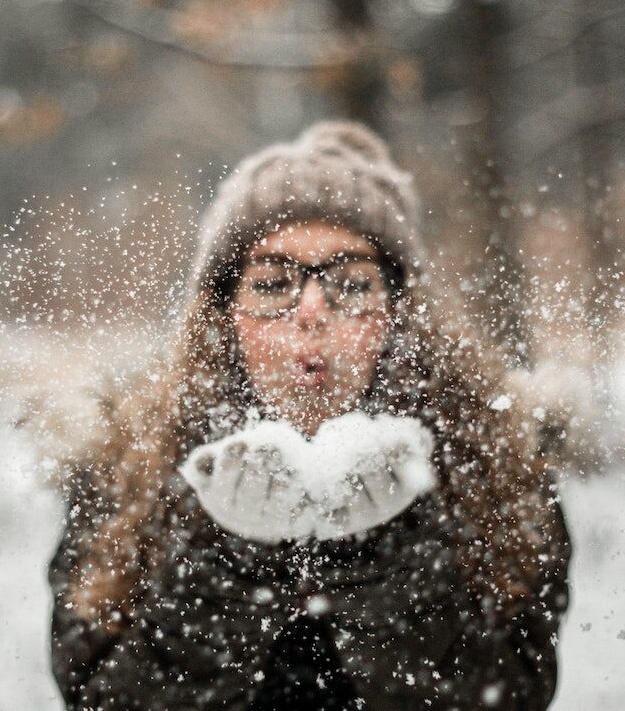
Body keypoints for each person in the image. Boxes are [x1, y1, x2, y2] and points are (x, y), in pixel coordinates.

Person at [48, 121, 571, 711]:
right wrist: (231, 568)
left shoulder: (492, 459)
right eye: (273, 284)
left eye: (351, 283)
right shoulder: (129, 464)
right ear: (223, 314)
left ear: (400, 314)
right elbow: (94, 693)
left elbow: (516, 692)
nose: (312, 311)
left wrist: (384, 563)